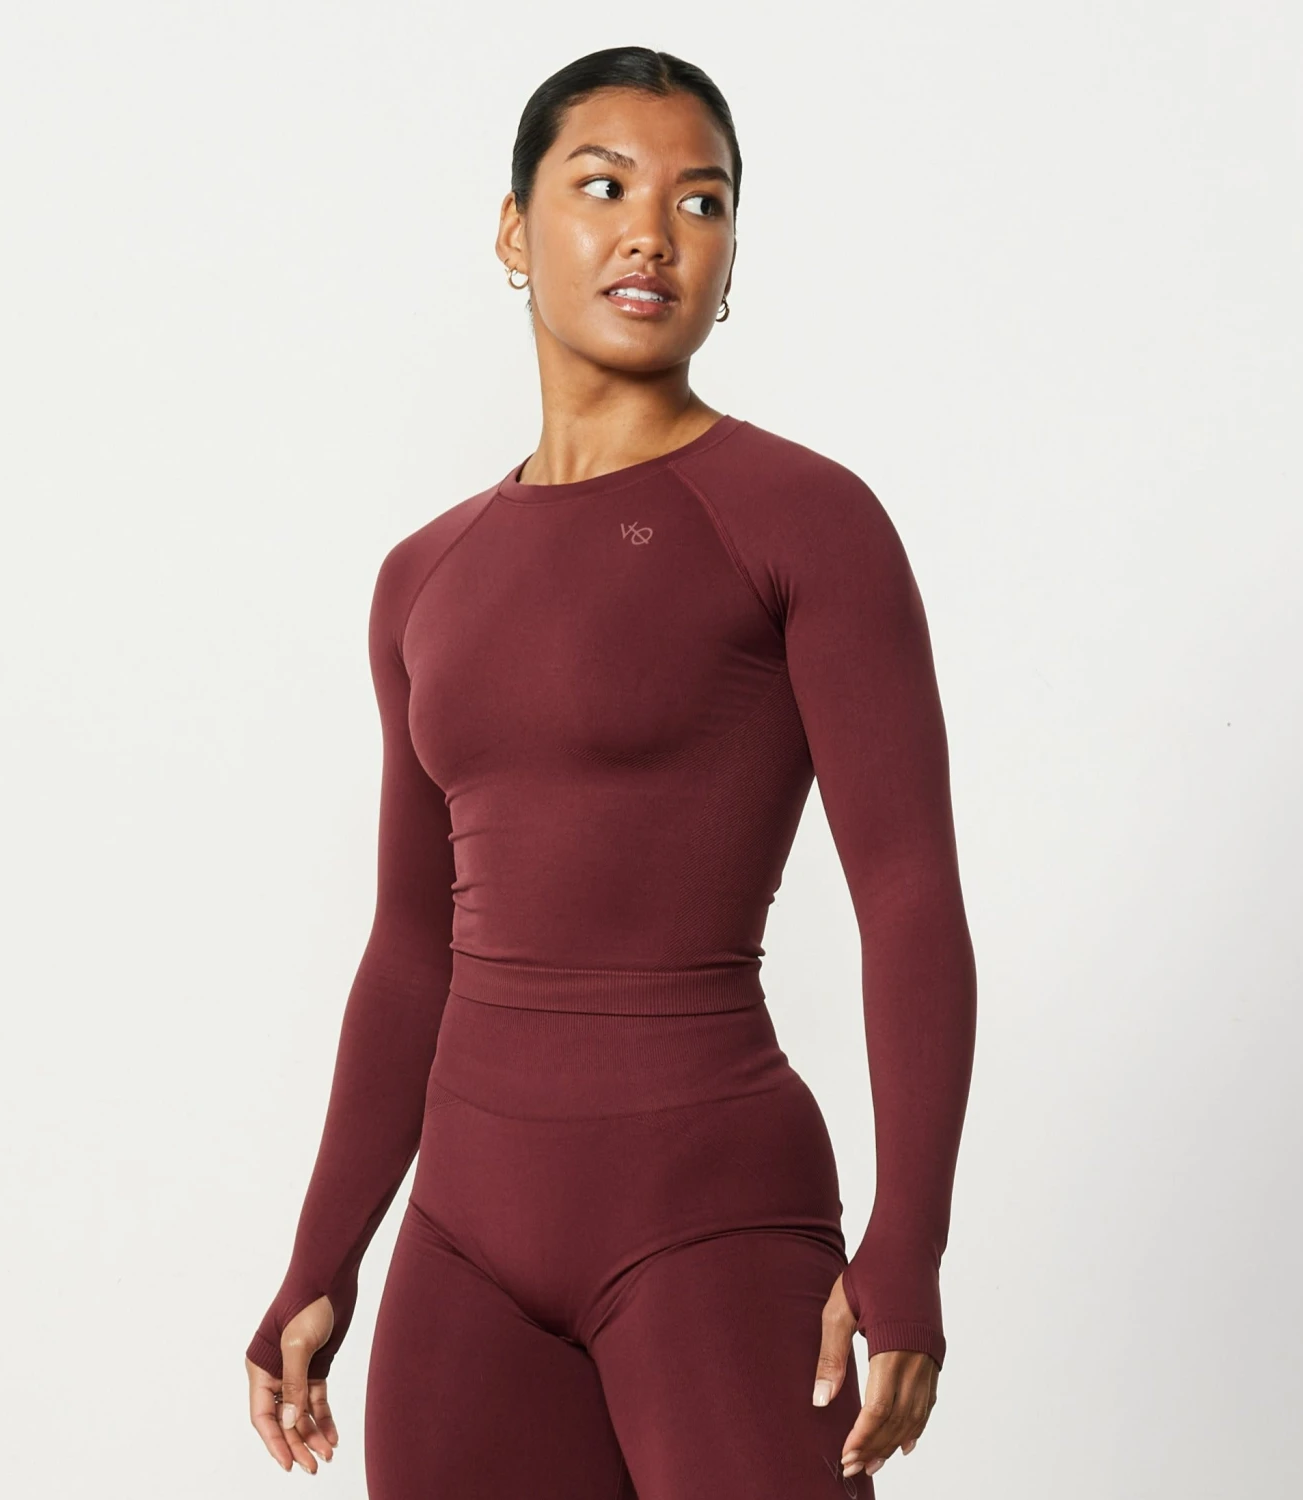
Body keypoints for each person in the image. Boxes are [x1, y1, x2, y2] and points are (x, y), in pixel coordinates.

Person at [243, 45, 977, 1498]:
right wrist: (322, 1256)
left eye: (701, 202)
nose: (654, 232)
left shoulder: (803, 520)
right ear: (514, 230)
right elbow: (412, 945)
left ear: (730, 258)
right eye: (604, 187)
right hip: (464, 1245)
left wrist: (910, 1239)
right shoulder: (422, 577)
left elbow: (906, 894)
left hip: (710, 1216)